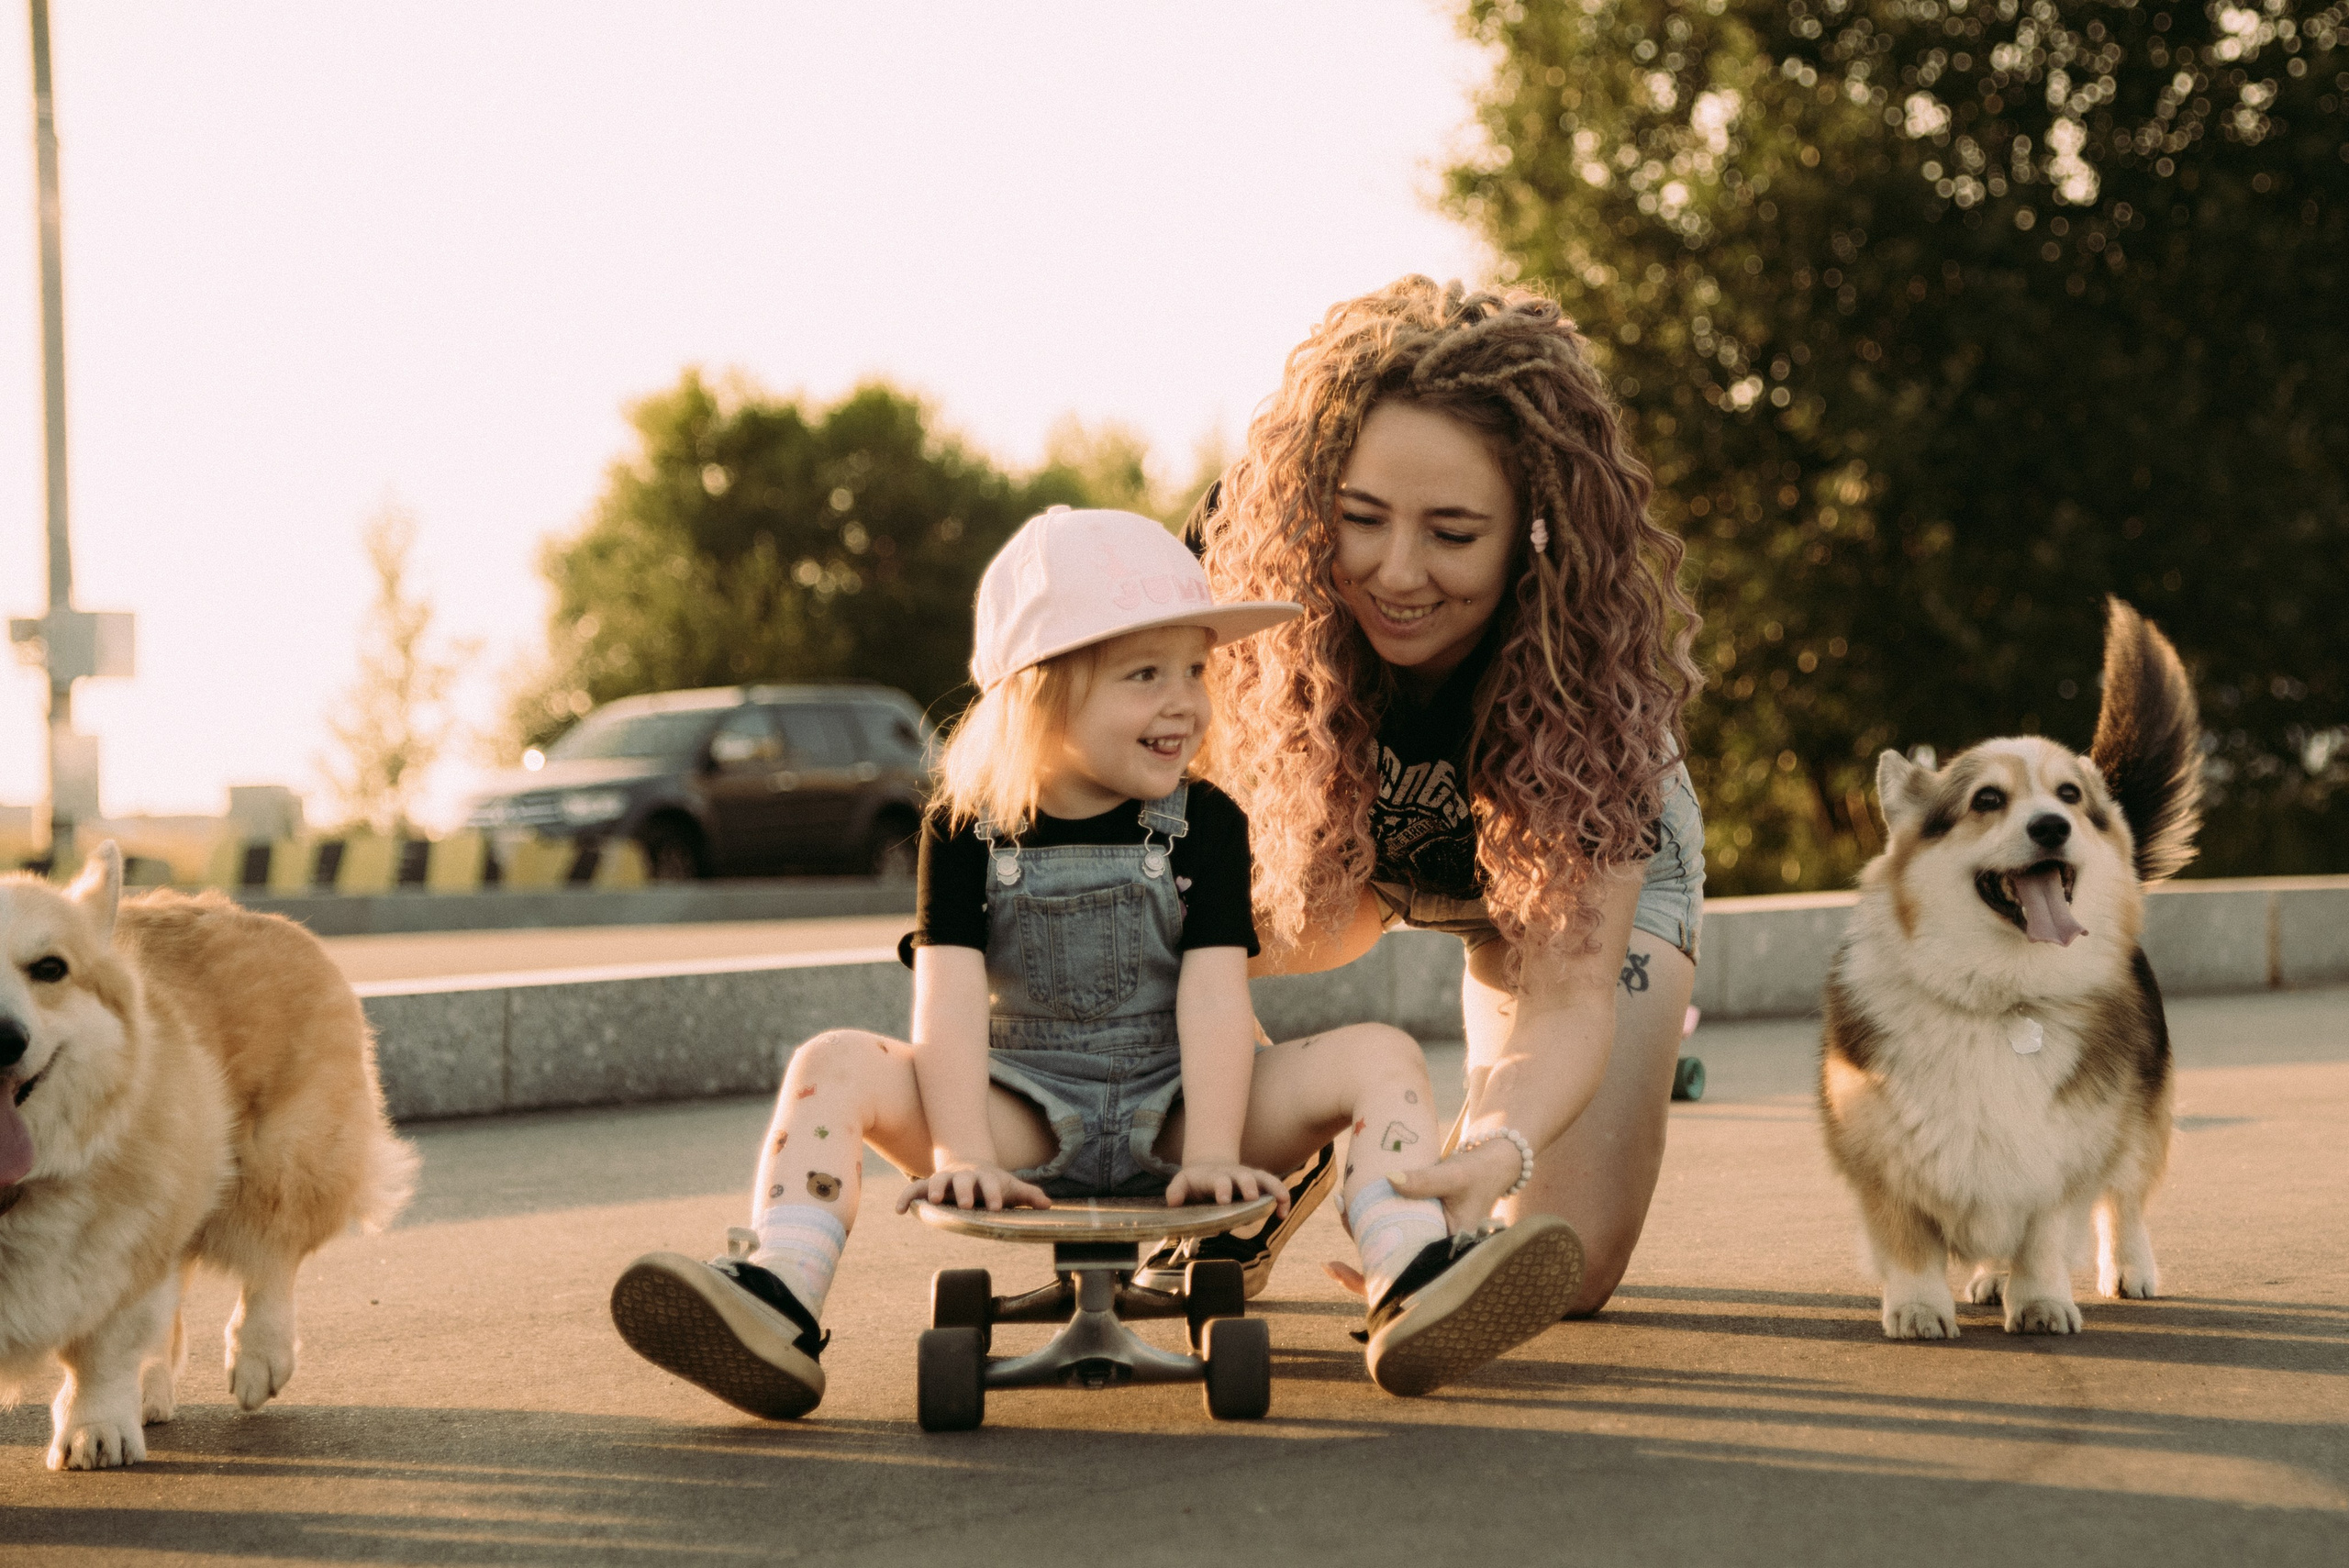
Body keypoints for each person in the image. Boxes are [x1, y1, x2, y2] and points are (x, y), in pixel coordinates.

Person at [609, 506, 1585, 1417]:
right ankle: (777, 1294)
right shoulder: (965, 828)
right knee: (832, 1061)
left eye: (1193, 670)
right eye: (1144, 674)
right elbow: (948, 1001)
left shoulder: (1206, 821)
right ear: (1041, 692)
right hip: (1019, 1113)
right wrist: (964, 1154)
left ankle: (1409, 1275)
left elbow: (1214, 996)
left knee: (1380, 1052)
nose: (1185, 703)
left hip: (1180, 1111)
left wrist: (1213, 1153)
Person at [1177, 278, 1705, 1318]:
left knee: (1559, 1260)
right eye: (1361, 519)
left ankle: (1431, 1186)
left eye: (1453, 534)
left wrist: (1495, 1150)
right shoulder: (1240, 579)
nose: (1396, 573)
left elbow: (1567, 1000)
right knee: (1146, 923)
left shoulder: (1601, 704)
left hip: (1544, 899)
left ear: (1533, 532)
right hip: (1346, 868)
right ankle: (1280, 1152)